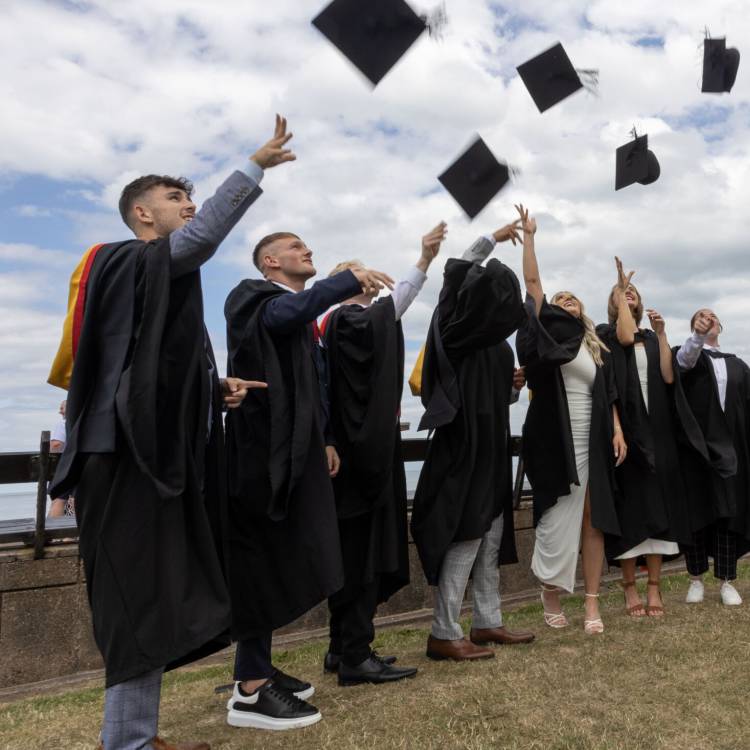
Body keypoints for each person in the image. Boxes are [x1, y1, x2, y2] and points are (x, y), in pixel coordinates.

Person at [47, 115, 293, 750]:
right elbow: (200, 241)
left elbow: (145, 370)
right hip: (121, 461)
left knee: (152, 596)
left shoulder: (149, 281)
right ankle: (126, 741)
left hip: (143, 460)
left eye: (190, 197)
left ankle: (135, 734)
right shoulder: (122, 260)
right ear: (142, 215)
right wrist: (253, 168)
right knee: (136, 601)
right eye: (176, 199)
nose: (188, 206)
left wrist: (214, 388)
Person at [224, 229, 394, 729]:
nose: (308, 252)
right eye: (297, 248)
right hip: (259, 461)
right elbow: (281, 316)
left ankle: (254, 669)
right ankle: (250, 690)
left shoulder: (300, 320)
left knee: (282, 560)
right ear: (271, 261)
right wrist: (345, 281)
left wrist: (323, 439)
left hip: (296, 457)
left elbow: (311, 385)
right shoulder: (253, 297)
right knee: (262, 563)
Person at [319, 222, 447, 685]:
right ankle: (354, 654)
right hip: (360, 463)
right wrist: (424, 260)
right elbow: (391, 310)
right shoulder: (346, 320)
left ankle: (343, 648)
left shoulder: (342, 324)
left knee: (356, 555)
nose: (369, 277)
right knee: (360, 556)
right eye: (357, 274)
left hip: (360, 456)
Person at [411, 217, 534, 662]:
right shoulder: (454, 330)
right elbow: (457, 272)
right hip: (463, 446)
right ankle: (443, 631)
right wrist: (492, 239)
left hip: (493, 444)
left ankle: (487, 622)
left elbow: (503, 398)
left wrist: (516, 386)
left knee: (493, 534)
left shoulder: (499, 346)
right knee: (466, 533)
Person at [515, 204, 626, 635]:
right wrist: (529, 236)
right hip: (557, 439)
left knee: (593, 520)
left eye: (572, 298)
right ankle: (551, 592)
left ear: (582, 309)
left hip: (595, 436)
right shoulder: (552, 334)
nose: (566, 302)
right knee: (555, 519)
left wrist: (617, 429)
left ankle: (593, 604)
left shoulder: (595, 346)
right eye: (560, 300)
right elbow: (533, 284)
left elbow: (609, 393)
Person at [596, 258, 690, 617]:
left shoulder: (650, 337)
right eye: (622, 293)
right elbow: (623, 338)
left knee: (659, 508)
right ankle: (630, 588)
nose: (629, 294)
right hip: (628, 433)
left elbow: (668, 376)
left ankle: (655, 587)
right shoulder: (608, 336)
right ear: (616, 302)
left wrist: (663, 333)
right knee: (632, 509)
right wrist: (621, 289)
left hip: (658, 431)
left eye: (633, 291)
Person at [674, 308, 750, 606]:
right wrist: (697, 336)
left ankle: (727, 580)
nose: (708, 319)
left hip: (730, 450)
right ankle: (695, 578)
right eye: (700, 317)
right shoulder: (687, 355)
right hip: (695, 447)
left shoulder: (738, 365)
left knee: (727, 512)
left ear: (722, 325)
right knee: (697, 511)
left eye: (712, 316)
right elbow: (685, 362)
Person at [49, 400, 74, 517]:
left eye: (62, 408)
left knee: (59, 500)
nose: (60, 412)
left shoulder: (63, 424)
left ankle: (54, 533)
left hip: (65, 469)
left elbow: (56, 445)